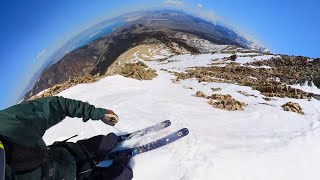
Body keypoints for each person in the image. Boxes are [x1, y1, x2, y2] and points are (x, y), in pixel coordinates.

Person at [0, 96, 133, 180]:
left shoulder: (7, 124)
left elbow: (55, 106)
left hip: (68, 154)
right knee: (124, 174)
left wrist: (98, 113)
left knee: (107, 141)